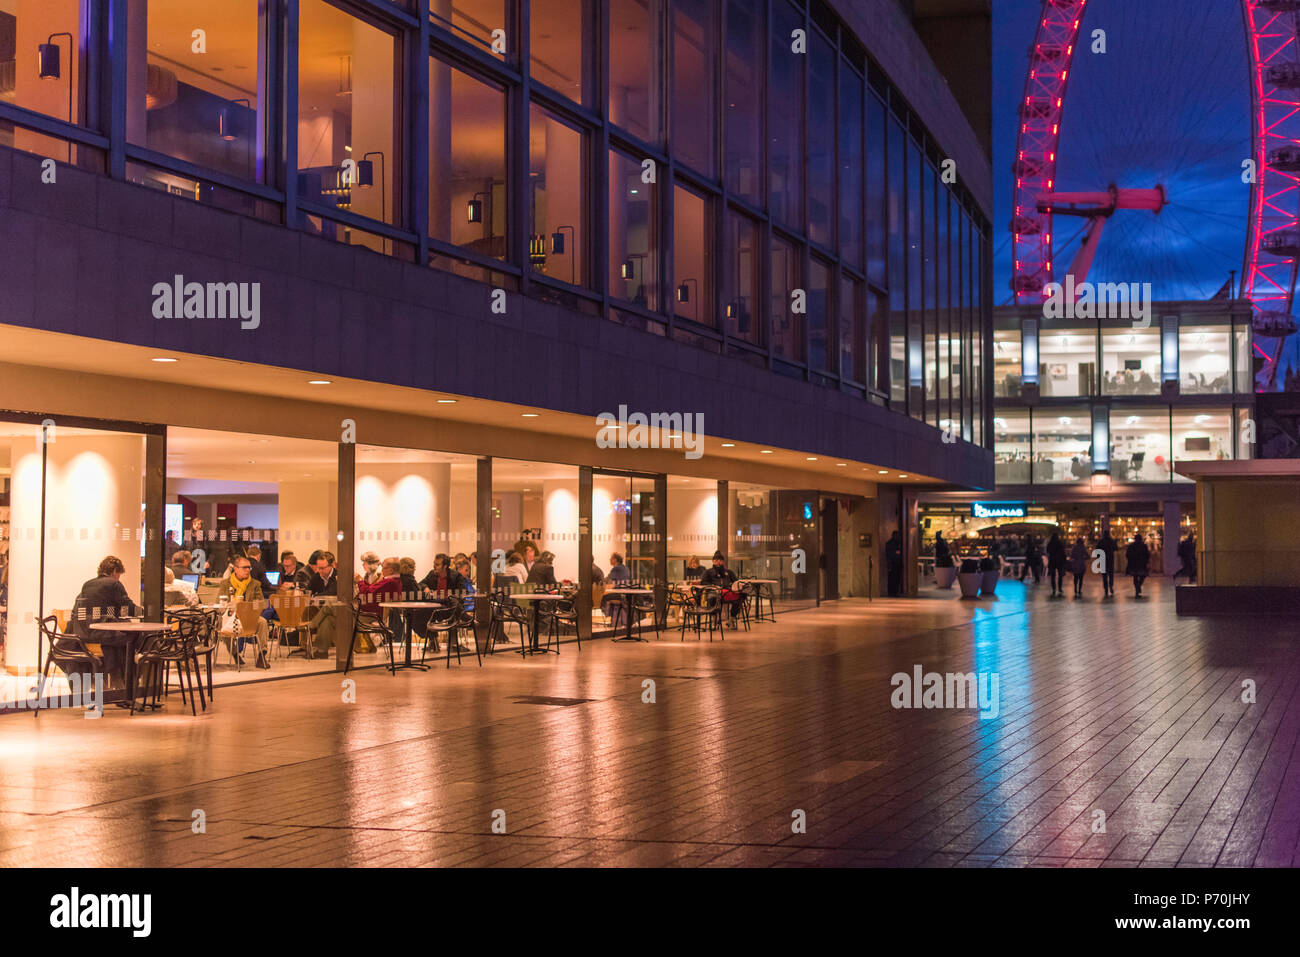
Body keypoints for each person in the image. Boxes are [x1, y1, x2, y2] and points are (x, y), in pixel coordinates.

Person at [70, 556, 141, 690]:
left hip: (86, 635)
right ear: (114, 571)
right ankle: (130, 682)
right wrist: (145, 612)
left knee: (122, 640)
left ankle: (112, 680)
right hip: (106, 635)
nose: (119, 577)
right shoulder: (114, 584)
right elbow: (128, 607)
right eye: (119, 574)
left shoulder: (87, 584)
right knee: (135, 637)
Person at [218, 554, 271, 668]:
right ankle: (235, 653)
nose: (248, 570)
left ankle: (262, 655)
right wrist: (230, 607)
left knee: (262, 622)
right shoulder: (225, 584)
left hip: (248, 617)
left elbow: (260, 603)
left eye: (249, 568)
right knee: (221, 623)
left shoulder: (255, 584)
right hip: (230, 615)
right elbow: (220, 601)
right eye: (244, 567)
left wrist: (246, 607)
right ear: (235, 569)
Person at [700, 551, 743, 626]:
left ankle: (731, 619)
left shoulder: (729, 572)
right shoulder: (708, 572)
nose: (718, 562)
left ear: (723, 561)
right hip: (714, 592)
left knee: (741, 596)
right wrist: (713, 586)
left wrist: (734, 587)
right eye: (716, 561)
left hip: (727, 592)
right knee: (711, 597)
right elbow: (703, 582)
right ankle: (714, 619)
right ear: (713, 561)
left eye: (720, 560)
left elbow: (736, 582)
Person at [1126, 533, 1151, 598]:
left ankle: (1138, 588)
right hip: (1142, 563)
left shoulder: (1131, 546)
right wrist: (1147, 561)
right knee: (1142, 576)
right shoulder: (1143, 546)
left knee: (1135, 576)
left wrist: (1130, 560)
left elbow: (1127, 554)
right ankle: (1138, 587)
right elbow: (1147, 554)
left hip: (1134, 563)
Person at [1096, 528, 1118, 597]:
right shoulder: (1111, 541)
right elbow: (1116, 548)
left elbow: (1097, 550)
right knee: (1111, 574)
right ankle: (1111, 586)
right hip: (1110, 559)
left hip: (1103, 559)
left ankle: (1105, 588)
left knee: (1104, 575)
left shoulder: (1101, 541)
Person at [1046, 532, 1067, 597]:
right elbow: (1063, 552)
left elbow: (1047, 551)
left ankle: (1054, 588)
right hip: (1059, 561)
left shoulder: (1050, 543)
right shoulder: (1060, 543)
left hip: (1052, 561)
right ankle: (1060, 588)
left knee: (1053, 576)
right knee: (1060, 575)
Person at [885, 530, 904, 597]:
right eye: (897, 535)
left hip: (898, 564)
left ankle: (895, 592)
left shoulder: (899, 543)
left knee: (897, 579)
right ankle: (891, 592)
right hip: (893, 564)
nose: (898, 537)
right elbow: (888, 555)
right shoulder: (890, 544)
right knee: (892, 579)